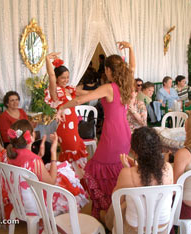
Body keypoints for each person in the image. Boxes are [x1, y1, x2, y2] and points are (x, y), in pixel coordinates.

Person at [55, 41, 135, 219]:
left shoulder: (109, 87)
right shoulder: (126, 83)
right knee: (117, 168)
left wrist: (61, 108)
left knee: (96, 169)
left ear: (107, 70)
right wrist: (130, 48)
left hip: (112, 135)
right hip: (124, 134)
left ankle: (107, 208)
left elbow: (78, 102)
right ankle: (116, 208)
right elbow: (133, 67)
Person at [6, 119, 88, 216]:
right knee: (67, 178)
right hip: (35, 204)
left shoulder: (9, 154)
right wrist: (53, 153)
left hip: (18, 200)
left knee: (60, 170)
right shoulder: (34, 160)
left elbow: (26, 169)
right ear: (32, 137)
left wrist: (39, 156)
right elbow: (51, 182)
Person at [105, 127, 174, 233]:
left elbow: (116, 199)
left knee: (122, 204)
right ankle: (108, 222)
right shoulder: (168, 168)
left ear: (135, 152)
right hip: (163, 227)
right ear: (158, 148)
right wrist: (134, 167)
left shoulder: (127, 173)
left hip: (135, 230)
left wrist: (127, 169)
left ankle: (107, 223)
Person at [44, 54, 89, 179]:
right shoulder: (55, 92)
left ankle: (80, 181)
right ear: (57, 79)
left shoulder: (69, 89)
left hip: (73, 128)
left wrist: (105, 92)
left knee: (77, 150)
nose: (66, 80)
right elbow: (51, 76)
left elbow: (88, 94)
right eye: (63, 78)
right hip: (65, 129)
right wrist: (48, 59)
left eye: (67, 77)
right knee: (71, 151)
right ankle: (71, 180)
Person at [0, 91, 51, 163]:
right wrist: (25, 139)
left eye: (17, 100)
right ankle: (36, 167)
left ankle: (44, 167)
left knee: (47, 145)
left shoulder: (21, 111)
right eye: (12, 100)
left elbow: (28, 126)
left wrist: (33, 125)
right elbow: (6, 138)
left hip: (26, 141)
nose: (15, 102)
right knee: (38, 149)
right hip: (15, 144)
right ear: (7, 103)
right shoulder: (4, 117)